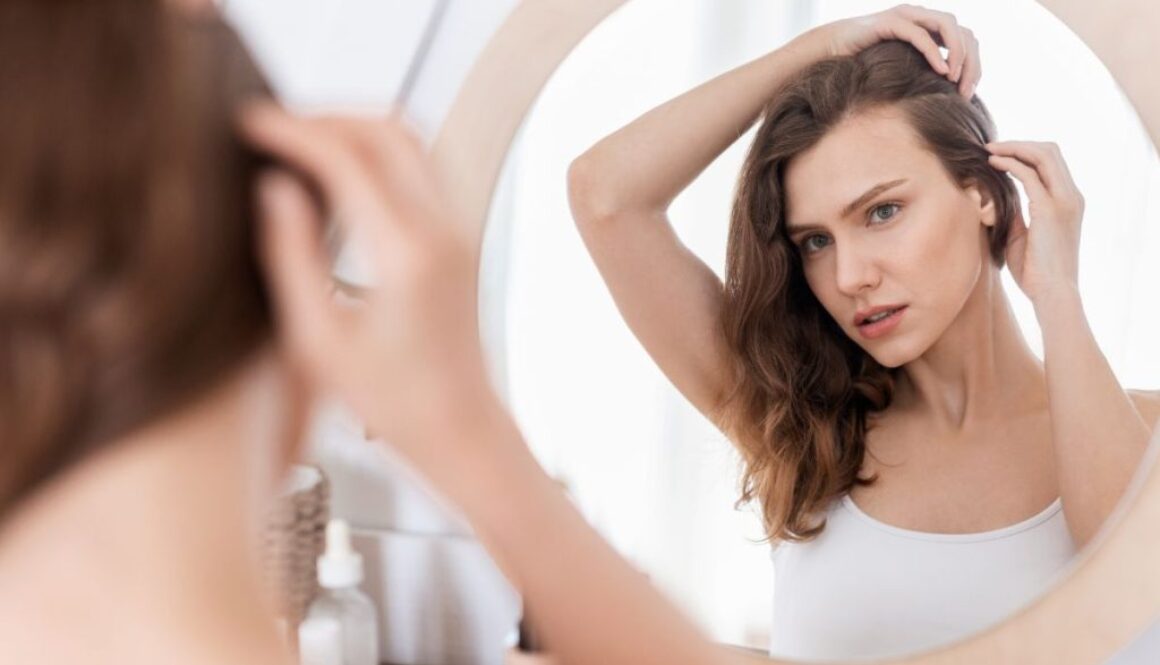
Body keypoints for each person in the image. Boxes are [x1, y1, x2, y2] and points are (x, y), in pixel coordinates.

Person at [565, 2, 1160, 660]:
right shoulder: (804, 430)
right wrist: (819, 48)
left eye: (882, 211)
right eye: (816, 240)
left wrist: (1058, 296)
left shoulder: (1142, 433)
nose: (848, 275)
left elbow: (1138, 601)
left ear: (985, 194)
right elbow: (605, 195)